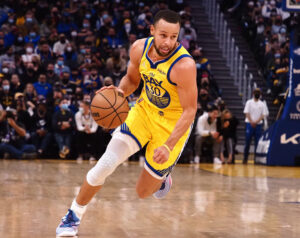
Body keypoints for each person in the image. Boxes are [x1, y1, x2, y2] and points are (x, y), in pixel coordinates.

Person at [56, 9, 197, 237]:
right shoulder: (139, 49)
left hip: (171, 127)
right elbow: (132, 80)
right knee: (105, 164)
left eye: (174, 37)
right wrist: (120, 92)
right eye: (163, 35)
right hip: (143, 112)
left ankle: (162, 178)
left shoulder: (184, 65)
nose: (168, 42)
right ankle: (73, 216)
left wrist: (169, 145)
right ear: (152, 31)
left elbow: (190, 110)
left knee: (143, 192)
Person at [243, 88, 268, 164]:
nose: (257, 94)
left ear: (260, 94)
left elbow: (263, 115)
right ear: (253, 93)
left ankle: (256, 159)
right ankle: (245, 158)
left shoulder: (262, 104)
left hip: (258, 125)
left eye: (258, 92)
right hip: (249, 124)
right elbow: (247, 113)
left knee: (257, 143)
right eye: (256, 92)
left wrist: (256, 122)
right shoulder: (249, 102)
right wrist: (251, 122)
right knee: (247, 142)